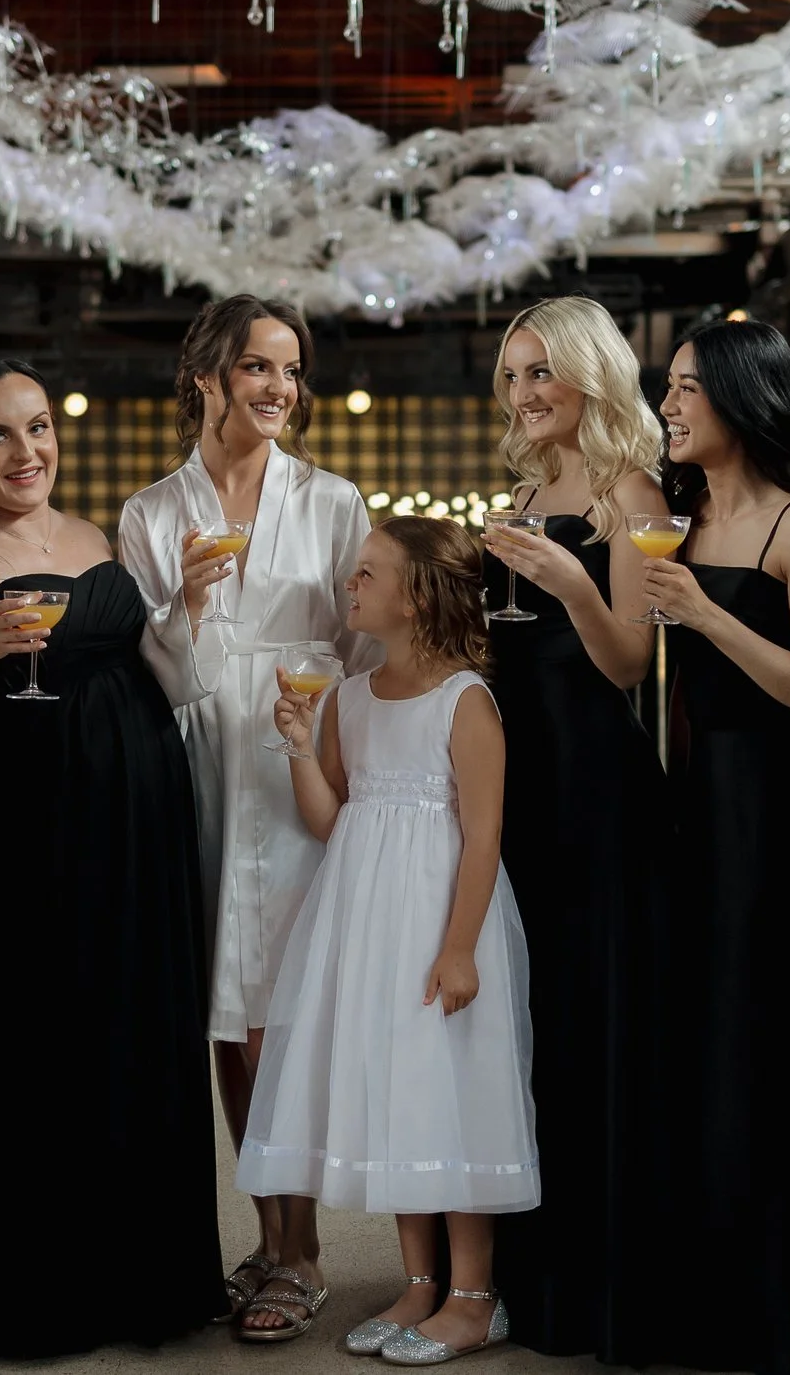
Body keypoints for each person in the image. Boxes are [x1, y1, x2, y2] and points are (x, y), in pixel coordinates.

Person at [0, 359, 226, 1357]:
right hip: (17, 826)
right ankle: (37, 1289)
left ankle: (143, 1279)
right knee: (30, 1034)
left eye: (36, 428)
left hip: (136, 818)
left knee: (128, 1025)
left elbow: (154, 675)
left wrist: (188, 611)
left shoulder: (96, 534)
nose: (26, 451)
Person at [118, 295, 378, 1330]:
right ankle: (266, 1240)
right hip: (201, 769)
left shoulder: (332, 500)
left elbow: (364, 649)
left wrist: (337, 766)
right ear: (209, 376)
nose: (280, 388)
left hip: (296, 762)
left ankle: (302, 1248)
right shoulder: (150, 514)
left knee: (283, 1014)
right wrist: (179, 605)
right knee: (227, 1016)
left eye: (291, 370)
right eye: (259, 368)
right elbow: (156, 680)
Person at [242, 517, 537, 1361]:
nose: (351, 585)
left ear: (415, 596)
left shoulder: (465, 699)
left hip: (441, 921)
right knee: (402, 1095)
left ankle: (475, 1295)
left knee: (453, 1093)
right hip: (368, 923)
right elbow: (331, 818)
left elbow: (483, 835)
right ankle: (418, 1285)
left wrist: (458, 949)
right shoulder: (351, 696)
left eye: (367, 574)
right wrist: (300, 745)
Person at [636, 318, 790, 1375]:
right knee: (705, 1043)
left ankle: (782, 1309)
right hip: (700, 800)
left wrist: (707, 619)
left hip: (781, 810)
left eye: (684, 389)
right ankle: (708, 1301)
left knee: (770, 1045)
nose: (668, 405)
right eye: (666, 389)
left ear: (738, 395)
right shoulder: (683, 513)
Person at [471, 296, 669, 1361]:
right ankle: (528, 1267)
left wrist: (565, 584)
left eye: (541, 371)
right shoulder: (526, 487)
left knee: (592, 1012)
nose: (526, 393)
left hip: (594, 778)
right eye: (513, 376)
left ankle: (596, 1277)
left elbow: (629, 662)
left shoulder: (628, 488)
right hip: (522, 777)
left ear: (591, 374)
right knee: (530, 1017)